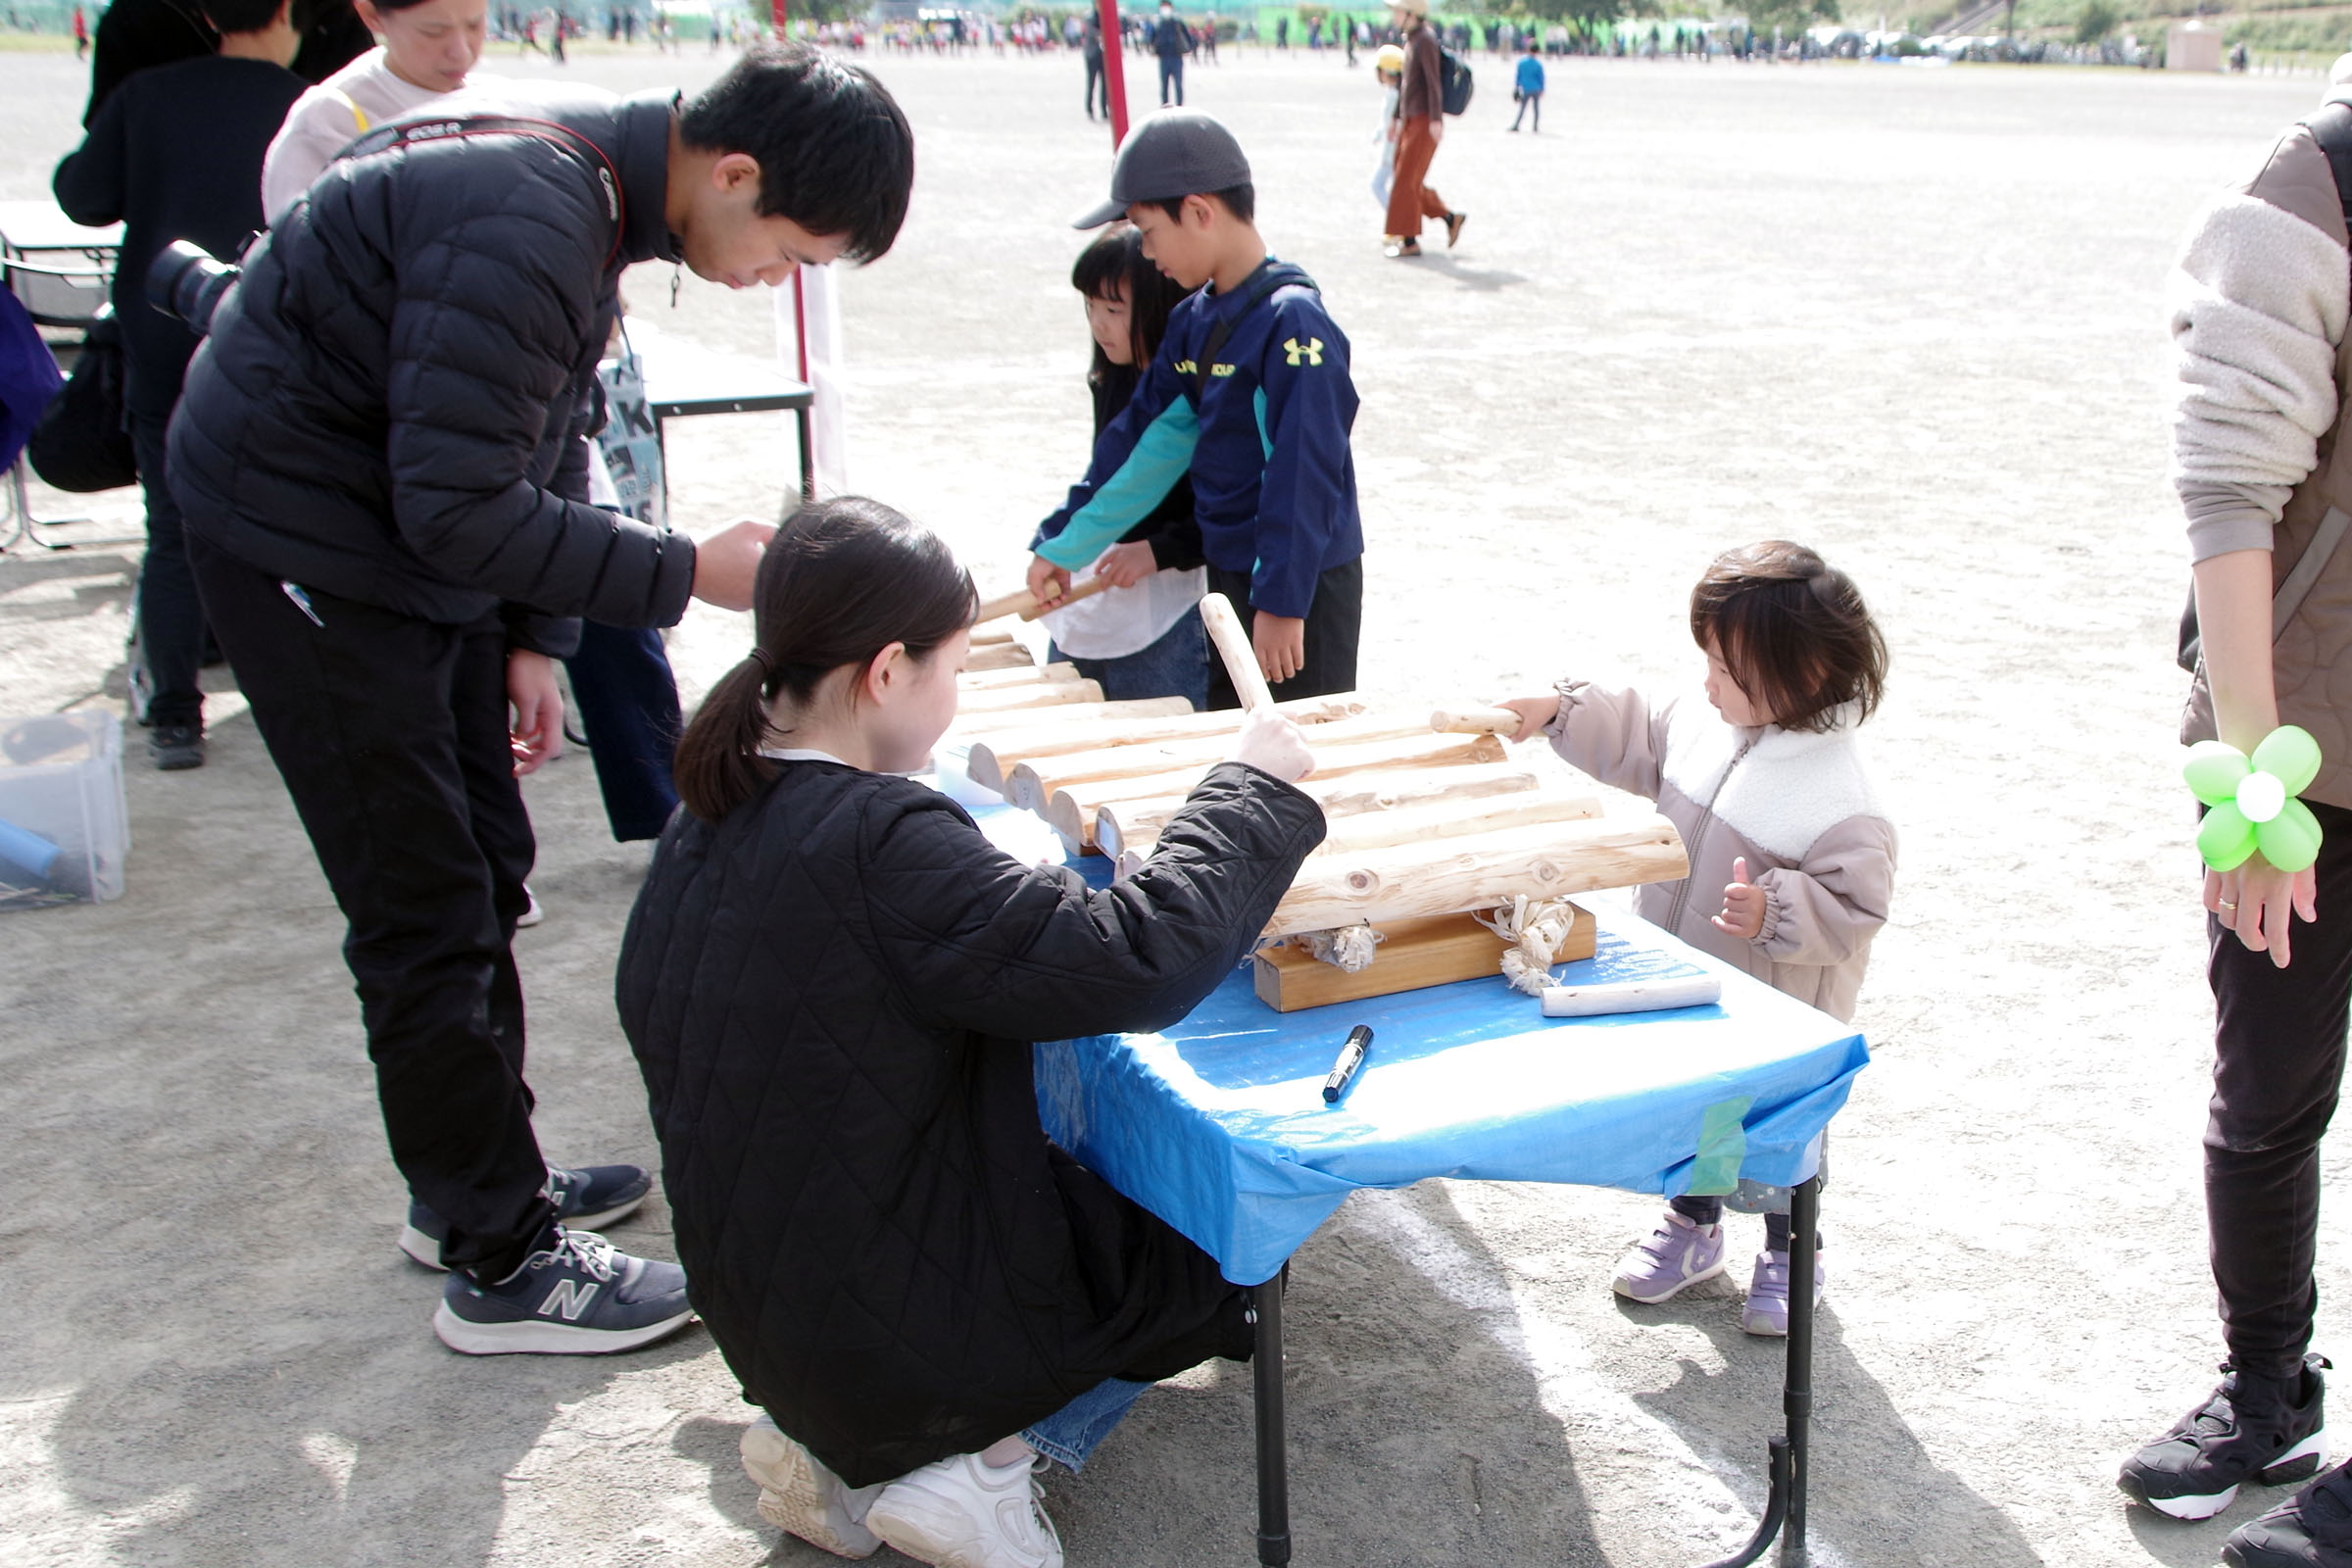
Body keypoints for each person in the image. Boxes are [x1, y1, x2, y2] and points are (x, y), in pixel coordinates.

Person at [165, 42, 916, 1355]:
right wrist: (688, 572)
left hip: (388, 543)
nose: (771, 281)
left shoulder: (597, 193)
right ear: (733, 174)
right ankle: (499, 1261)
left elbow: (539, 422)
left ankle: (469, 1173)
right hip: (303, 548)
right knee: (424, 899)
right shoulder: (531, 206)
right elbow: (456, 501)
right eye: (791, 250)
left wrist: (532, 633)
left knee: (487, 857)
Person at [615, 498, 1322, 1568]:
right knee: (1215, 1239)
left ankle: (848, 1445)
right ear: (885, 672)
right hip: (895, 1327)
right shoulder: (877, 837)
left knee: (998, 1163)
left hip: (762, 1311)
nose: (952, 700)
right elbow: (1142, 956)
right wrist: (1250, 789)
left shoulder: (709, 805)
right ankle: (972, 1464)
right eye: (949, 670)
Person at [262, 0, 690, 849]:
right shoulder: (325, 126)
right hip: (408, 450)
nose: (459, 52)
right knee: (458, 653)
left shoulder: (518, 109)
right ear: (369, 16)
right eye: (433, 32)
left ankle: (661, 812)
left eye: (475, 24)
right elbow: (308, 298)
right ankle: (483, 848)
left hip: (529, 424)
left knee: (600, 590)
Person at [2117, 82, 2352, 1567]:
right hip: (2305, 761)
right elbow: (2229, 486)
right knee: (2266, 1095)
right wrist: (2257, 791)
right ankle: (2268, 1382)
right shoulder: (2318, 183)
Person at [1493, 541, 1894, 1335]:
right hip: (1686, 982)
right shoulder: (1707, 726)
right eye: (1707, 662)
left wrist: (1777, 909)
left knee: (1777, 1128)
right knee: (1700, 1115)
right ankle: (1693, 1223)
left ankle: (1791, 1246)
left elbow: (1856, 905)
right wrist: (1560, 710)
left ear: (1801, 678)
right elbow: (1641, 734)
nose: (1706, 684)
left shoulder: (1841, 794)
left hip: (1775, 1012)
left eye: (1726, 671)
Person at [1026, 112, 1365, 708]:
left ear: (1200, 212)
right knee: (1237, 749)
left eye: (1148, 230)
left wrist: (1284, 602)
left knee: (1302, 752)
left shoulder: (1293, 322)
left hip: (1300, 582)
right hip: (1230, 579)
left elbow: (1305, 473)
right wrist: (1063, 545)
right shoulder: (1192, 321)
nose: (1145, 251)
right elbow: (1143, 447)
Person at [52, 0, 309, 770]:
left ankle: (173, 715)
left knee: (172, 527)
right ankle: (296, 704)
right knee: (290, 526)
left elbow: (81, 196)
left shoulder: (149, 92)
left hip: (161, 337)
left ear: (206, 14)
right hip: (273, 343)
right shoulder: (311, 106)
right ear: (288, 12)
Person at [1039, 226, 1207, 708]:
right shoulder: (1110, 375)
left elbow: (1228, 505)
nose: (1098, 324)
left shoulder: (1195, 390)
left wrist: (1158, 549)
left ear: (1160, 308)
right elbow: (1106, 481)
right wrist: (1062, 546)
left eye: (1113, 310)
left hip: (1165, 603)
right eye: (1090, 306)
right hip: (1102, 588)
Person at [1383, 0, 1462, 259]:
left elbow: (1432, 82)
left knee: (1406, 180)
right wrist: (1395, 118)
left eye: (1396, 10)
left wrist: (1436, 119)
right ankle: (1450, 218)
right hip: (1410, 118)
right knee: (1407, 178)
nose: (1393, 15)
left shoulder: (1425, 40)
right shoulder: (1412, 39)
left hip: (1423, 119)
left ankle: (1409, 242)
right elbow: (1406, 85)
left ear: (1409, 14)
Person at [1371, 41, 1402, 209]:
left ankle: (1395, 220)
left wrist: (1385, 156)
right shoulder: (1394, 93)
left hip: (1390, 152)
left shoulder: (1393, 96)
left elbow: (1390, 126)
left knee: (1377, 185)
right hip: (1392, 151)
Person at [1151, 0, 1188, 105]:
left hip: (1176, 57)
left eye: (1167, 6)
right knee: (1164, 85)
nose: (1165, 9)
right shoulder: (1158, 23)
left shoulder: (1177, 22)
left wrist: (1187, 49)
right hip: (1164, 58)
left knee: (1178, 85)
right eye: (1163, 6)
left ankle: (1180, 106)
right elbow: (1152, 38)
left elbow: (1187, 36)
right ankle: (1165, 106)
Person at [1509, 36, 1543, 131]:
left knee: (1522, 108)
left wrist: (1517, 86)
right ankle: (1535, 126)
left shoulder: (1521, 63)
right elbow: (1541, 78)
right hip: (1536, 88)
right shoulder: (1538, 64)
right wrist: (1542, 88)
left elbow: (1518, 76)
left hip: (1526, 88)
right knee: (1536, 109)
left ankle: (1516, 125)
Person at [1081, 8, 1105, 119]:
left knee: (1105, 84)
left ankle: (1104, 109)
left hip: (1104, 55)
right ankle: (1089, 108)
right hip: (1092, 54)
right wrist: (1103, 35)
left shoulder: (1106, 15)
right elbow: (1091, 32)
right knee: (1091, 82)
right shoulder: (1090, 17)